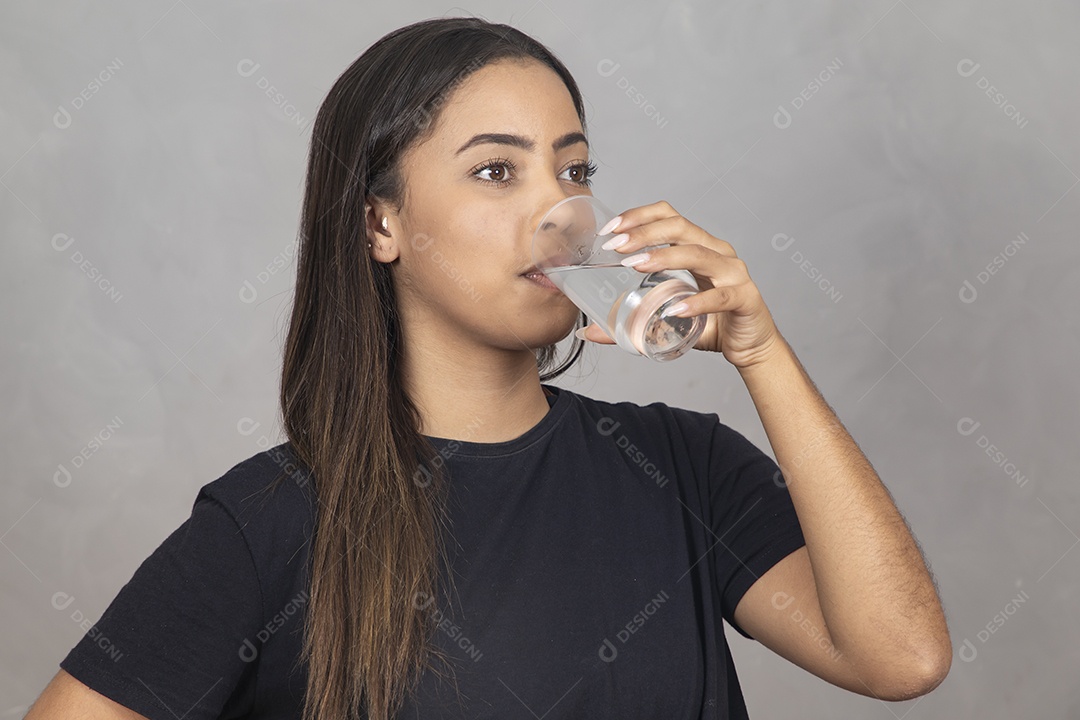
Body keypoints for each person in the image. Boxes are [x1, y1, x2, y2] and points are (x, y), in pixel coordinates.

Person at [27, 16, 952, 720]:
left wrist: (762, 354)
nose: (559, 208)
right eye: (496, 173)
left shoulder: (684, 467)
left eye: (575, 172)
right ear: (380, 224)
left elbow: (900, 658)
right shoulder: (272, 520)